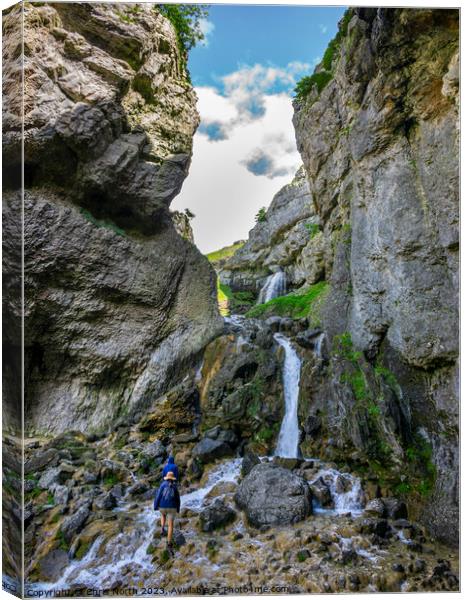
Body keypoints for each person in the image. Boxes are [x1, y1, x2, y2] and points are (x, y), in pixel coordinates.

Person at [153, 470, 181, 554]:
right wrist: (178, 508)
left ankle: (162, 528)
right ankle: (169, 544)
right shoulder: (175, 487)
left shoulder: (162, 485)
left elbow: (158, 496)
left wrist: (155, 506)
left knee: (162, 514)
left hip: (162, 507)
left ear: (166, 478)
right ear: (173, 479)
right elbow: (178, 499)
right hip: (172, 508)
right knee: (170, 525)